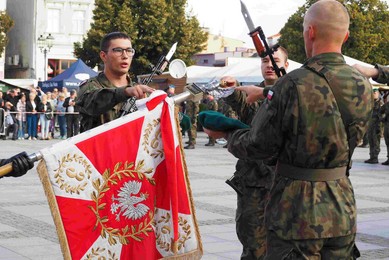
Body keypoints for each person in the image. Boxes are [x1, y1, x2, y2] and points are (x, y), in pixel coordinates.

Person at [204, 1, 372, 258]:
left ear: (310, 32)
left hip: (297, 212)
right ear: (346, 36)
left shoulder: (293, 83)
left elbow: (257, 146)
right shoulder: (363, 84)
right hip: (342, 207)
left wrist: (227, 134)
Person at [218, 46, 289, 259]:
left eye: (274, 61)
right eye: (264, 61)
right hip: (254, 184)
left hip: (285, 183)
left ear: (285, 65)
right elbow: (241, 102)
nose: (269, 65)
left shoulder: (294, 94)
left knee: (285, 245)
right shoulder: (253, 92)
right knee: (252, 243)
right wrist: (233, 87)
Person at [77, 31, 154, 131]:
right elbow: (92, 103)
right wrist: (125, 92)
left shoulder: (140, 92)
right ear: (104, 56)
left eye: (129, 51)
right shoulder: (90, 86)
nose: (125, 56)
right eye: (118, 50)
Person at [364, 88, 382, 164]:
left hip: (376, 125)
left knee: (375, 141)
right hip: (370, 125)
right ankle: (372, 157)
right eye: (373, 93)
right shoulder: (371, 102)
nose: (374, 94)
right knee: (371, 140)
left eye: (375, 93)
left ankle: (375, 157)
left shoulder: (379, 103)